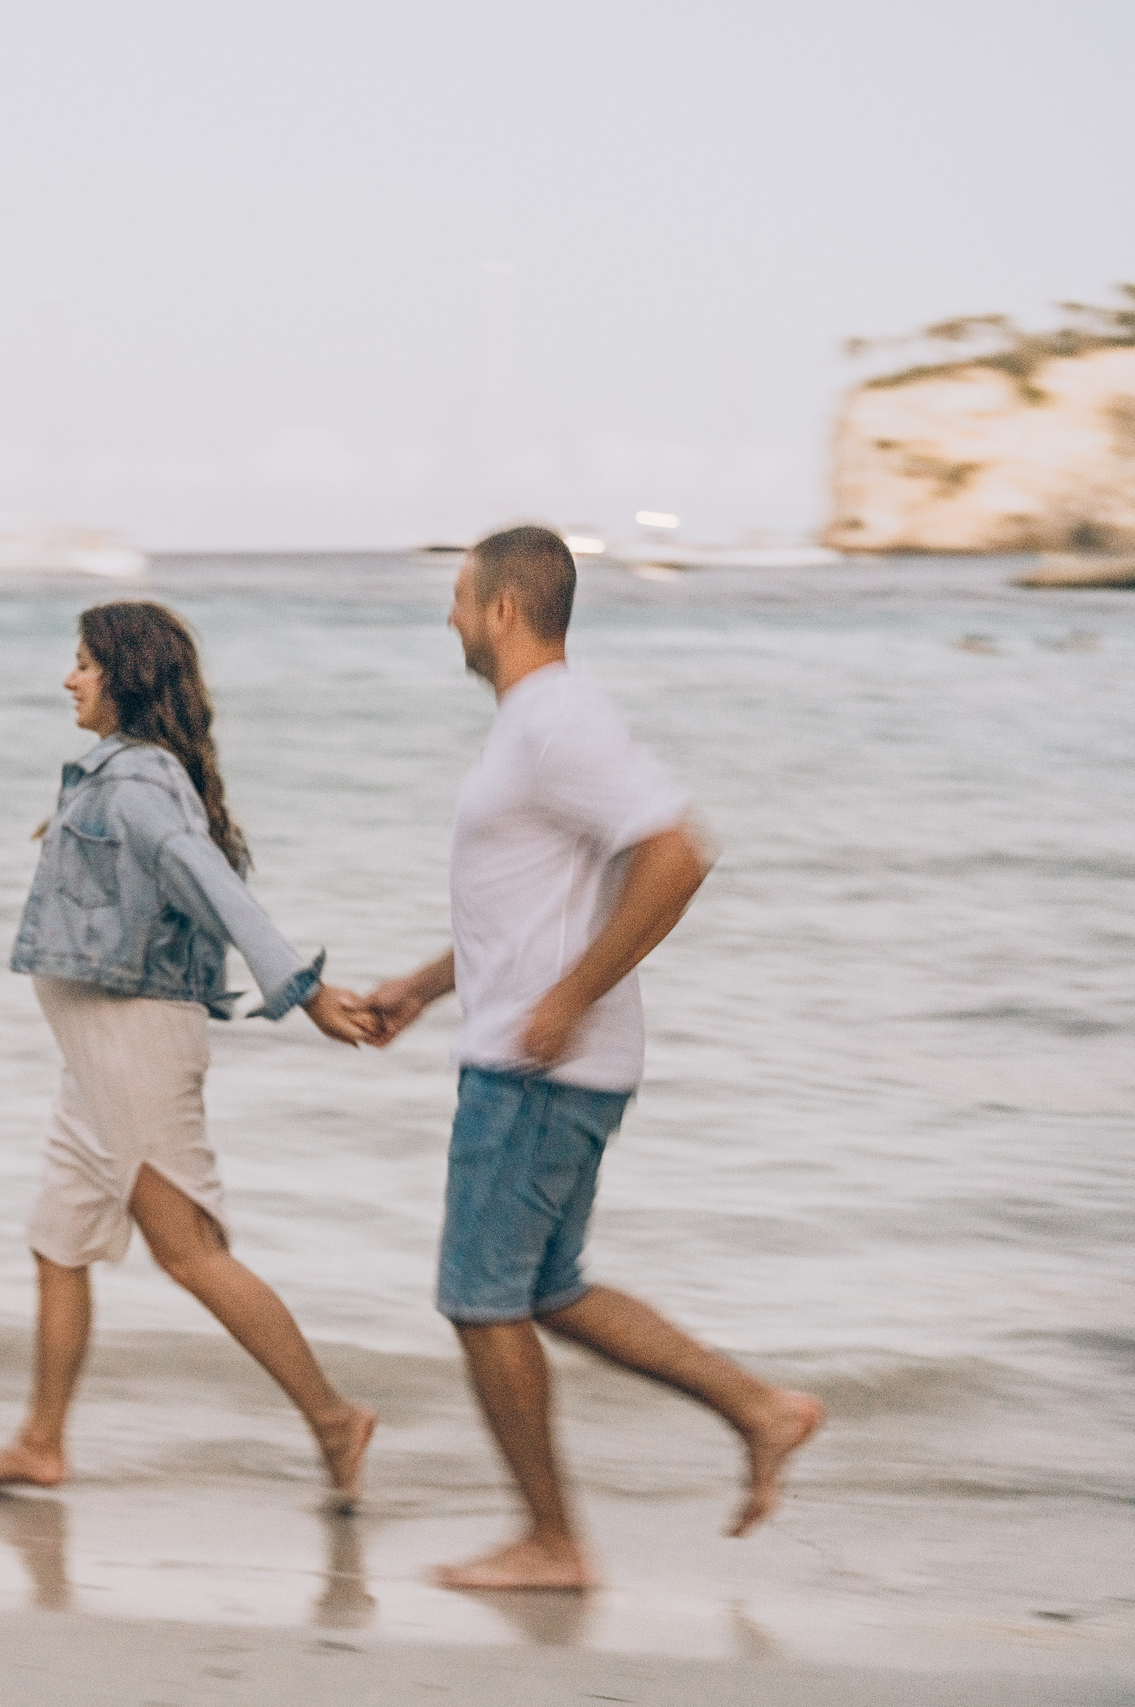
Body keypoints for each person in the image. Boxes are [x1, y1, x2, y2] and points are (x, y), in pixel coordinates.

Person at [360, 525, 823, 1590]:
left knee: (481, 1301)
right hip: (537, 1056)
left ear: (502, 610)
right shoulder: (537, 727)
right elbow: (532, 903)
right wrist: (423, 989)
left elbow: (676, 854)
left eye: (457, 598)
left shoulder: (556, 722)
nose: (448, 618)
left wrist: (569, 998)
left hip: (537, 1070)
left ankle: (552, 1542)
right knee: (548, 1289)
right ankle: (760, 1408)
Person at [0, 601, 383, 1506]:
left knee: (188, 1250)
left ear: (125, 675)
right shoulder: (117, 776)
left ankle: (336, 1418)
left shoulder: (139, 786)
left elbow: (212, 884)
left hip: (135, 1045)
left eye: (83, 664)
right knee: (57, 1243)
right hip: (98, 1053)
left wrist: (300, 991)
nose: (69, 679)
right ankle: (41, 1442)